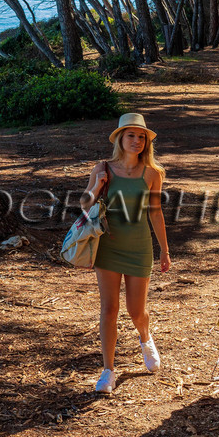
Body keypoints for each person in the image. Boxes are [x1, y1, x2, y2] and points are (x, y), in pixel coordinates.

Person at [84, 112, 172, 394]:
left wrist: (164, 250)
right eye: (131, 135)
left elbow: (155, 213)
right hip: (108, 245)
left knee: (136, 311)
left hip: (139, 246)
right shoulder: (103, 168)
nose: (137, 141)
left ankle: (145, 337)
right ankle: (108, 370)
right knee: (109, 309)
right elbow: (85, 204)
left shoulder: (152, 173)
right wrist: (97, 186)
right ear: (120, 139)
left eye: (141, 136)